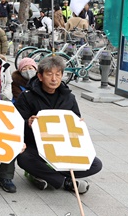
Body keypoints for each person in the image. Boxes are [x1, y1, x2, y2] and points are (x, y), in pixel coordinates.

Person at [16, 56, 103, 193]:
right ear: (40, 76)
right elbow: (16, 125)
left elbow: (75, 119)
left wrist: (79, 124)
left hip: (62, 148)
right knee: (23, 158)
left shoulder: (69, 97)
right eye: (49, 74)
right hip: (36, 146)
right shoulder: (27, 96)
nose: (54, 79)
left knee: (95, 164)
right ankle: (65, 181)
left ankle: (44, 175)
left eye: (58, 74)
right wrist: (28, 123)